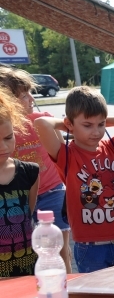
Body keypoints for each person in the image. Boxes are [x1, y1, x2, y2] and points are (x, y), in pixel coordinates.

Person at [35, 87, 114, 273]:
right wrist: (69, 124)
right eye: (87, 125)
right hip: (92, 247)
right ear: (70, 124)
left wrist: (101, 119)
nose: (96, 132)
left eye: (101, 125)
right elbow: (41, 123)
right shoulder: (67, 155)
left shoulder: (112, 147)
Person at [0, 67, 71, 272]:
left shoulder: (44, 120)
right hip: (19, 198)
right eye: (24, 95)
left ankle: (69, 290)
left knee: (59, 250)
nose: (31, 98)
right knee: (28, 250)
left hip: (53, 193)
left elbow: (63, 155)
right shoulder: (5, 129)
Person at [0, 88, 39, 278]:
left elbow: (27, 215)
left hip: (27, 269)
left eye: (8, 138)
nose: (3, 147)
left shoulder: (30, 172)